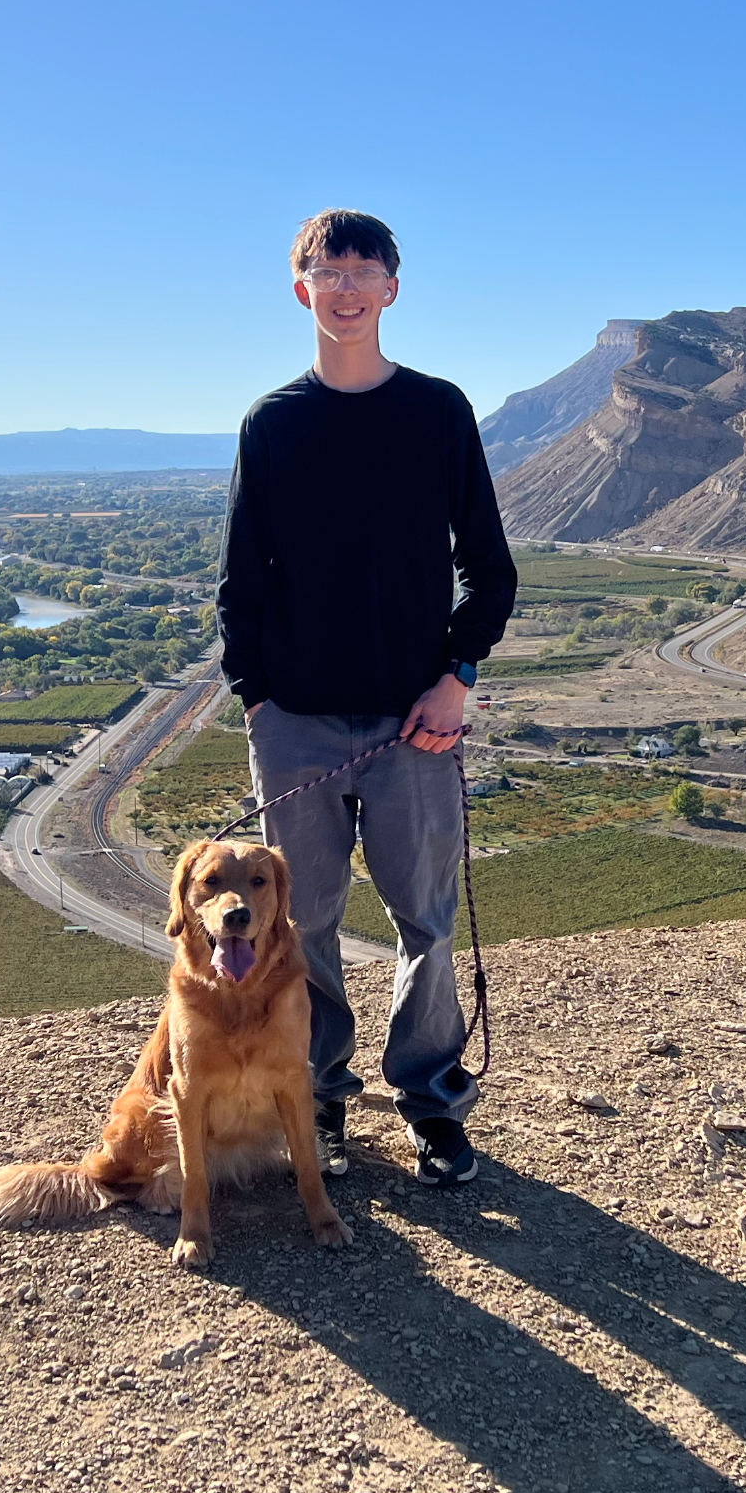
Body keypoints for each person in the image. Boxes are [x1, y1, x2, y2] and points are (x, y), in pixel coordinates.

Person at [216, 209, 517, 1187]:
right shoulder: (272, 423)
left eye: (362, 270)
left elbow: (490, 571)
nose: (344, 287)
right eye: (327, 270)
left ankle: (431, 1103)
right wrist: (257, 699)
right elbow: (241, 581)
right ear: (300, 289)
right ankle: (319, 1099)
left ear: (392, 288)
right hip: (294, 723)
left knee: (425, 923)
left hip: (413, 725)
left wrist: (456, 678)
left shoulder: (437, 412)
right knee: (298, 925)